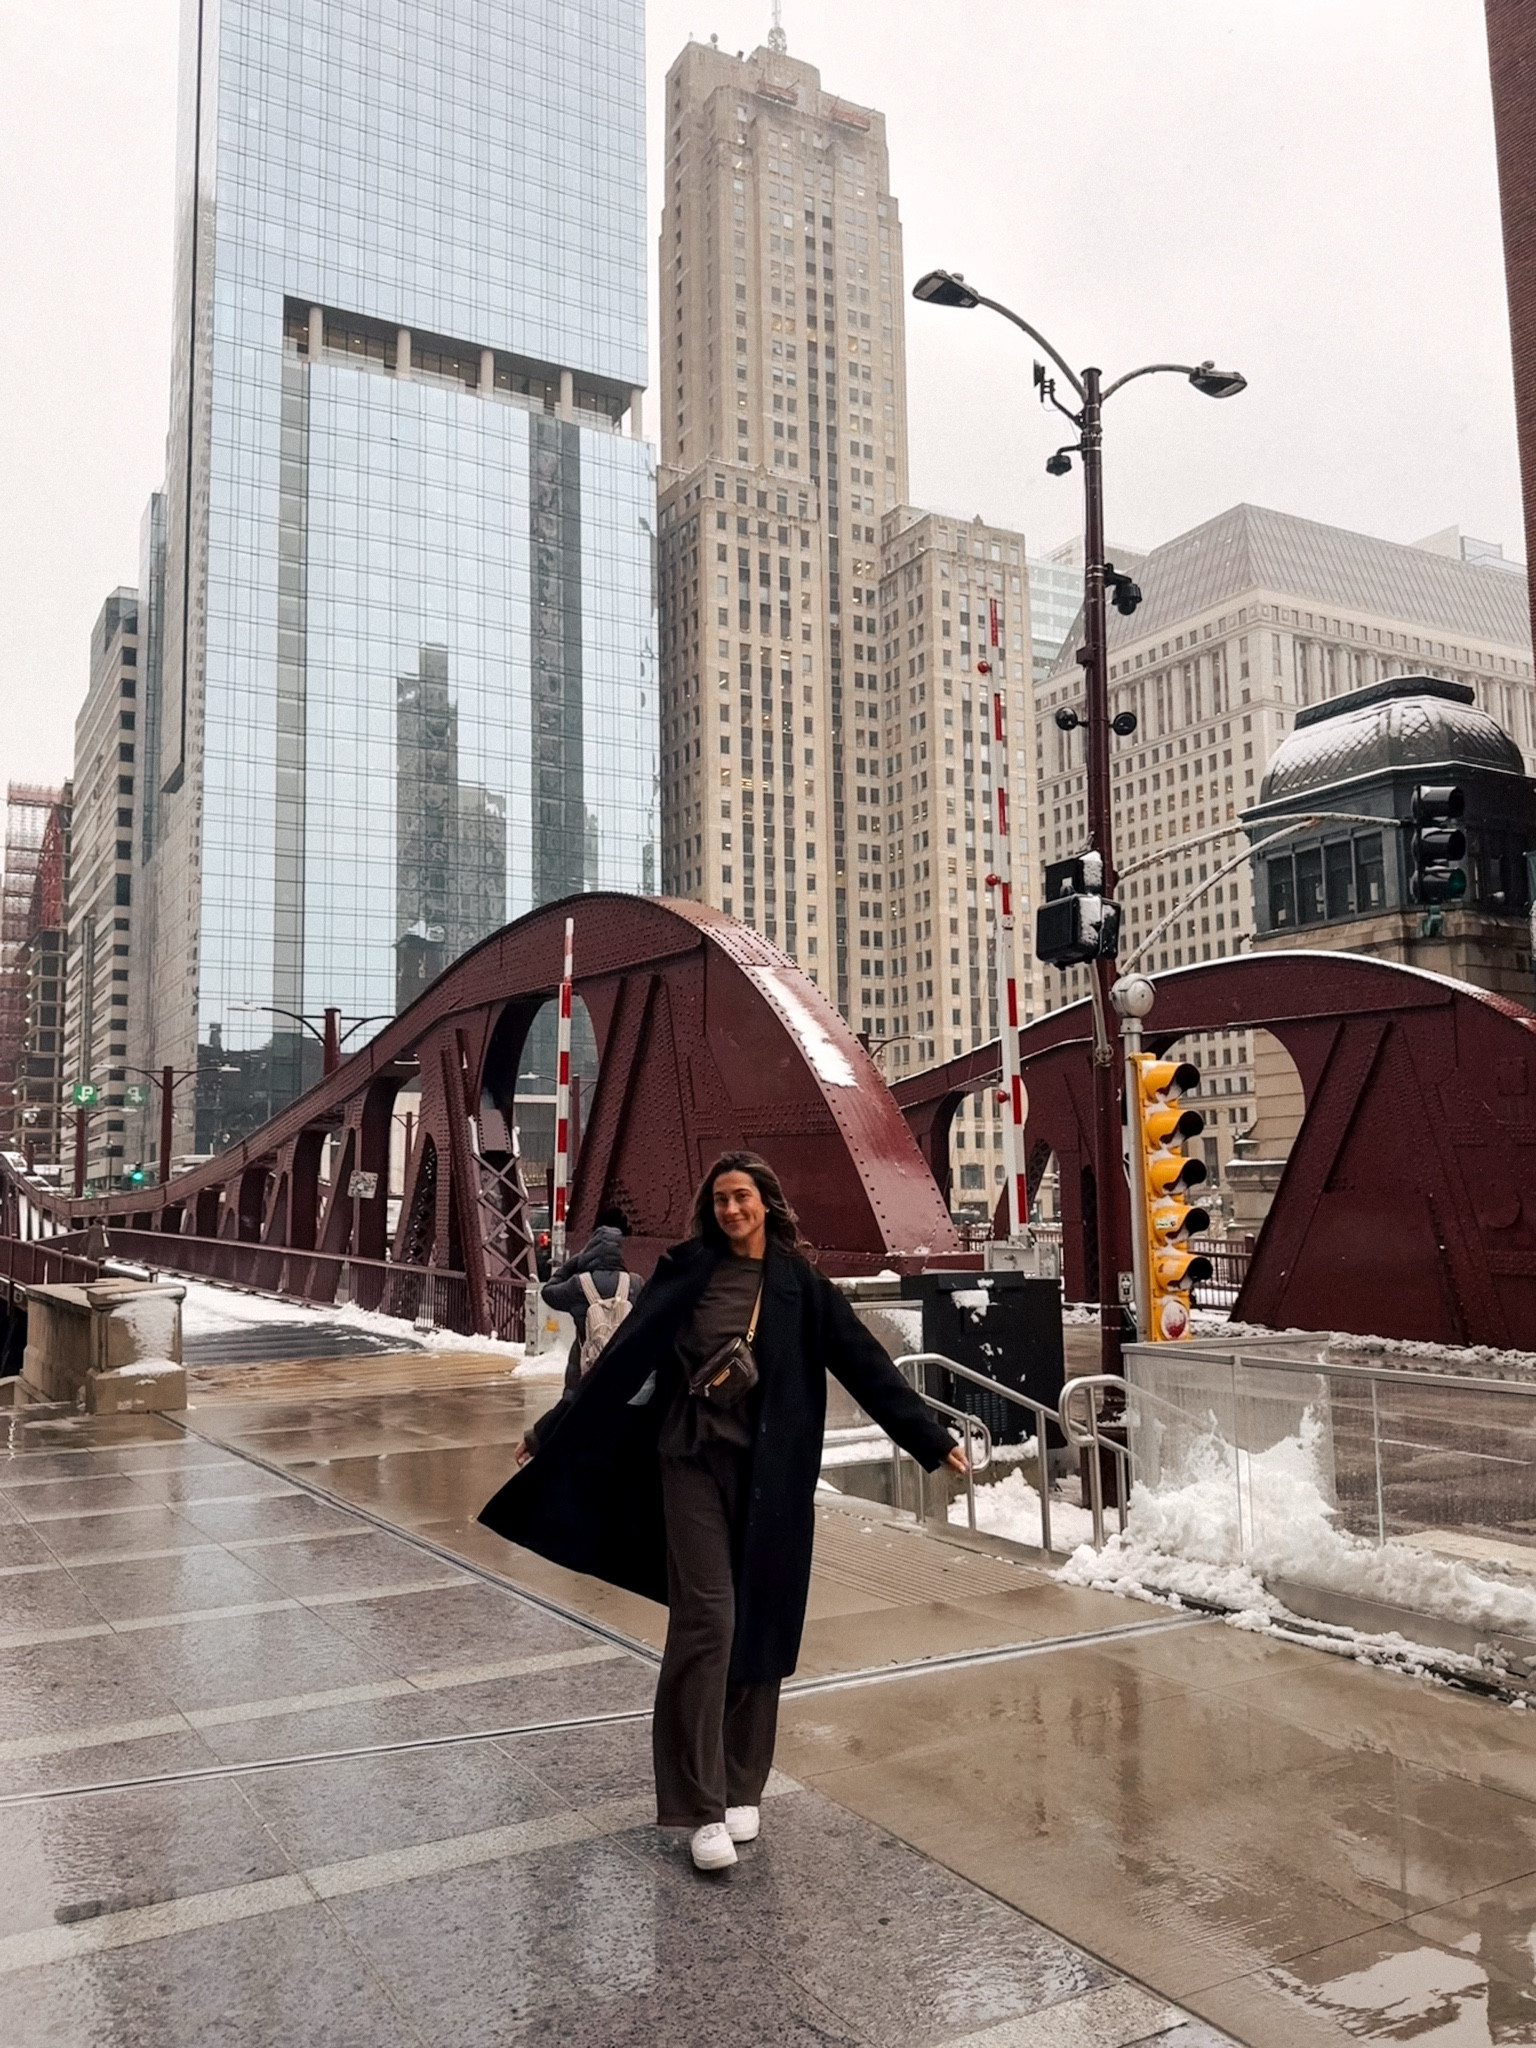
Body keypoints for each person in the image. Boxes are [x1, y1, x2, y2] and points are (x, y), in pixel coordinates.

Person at [479, 1150, 966, 1874]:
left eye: (742, 1198)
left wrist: (929, 1438)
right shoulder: (688, 1271)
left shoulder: (801, 1285)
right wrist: (551, 1430)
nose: (731, 1210)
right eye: (721, 1200)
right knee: (708, 1623)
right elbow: (622, 1361)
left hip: (771, 1477)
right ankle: (698, 1805)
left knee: (760, 1624)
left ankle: (744, 1785)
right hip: (690, 1462)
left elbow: (864, 1362)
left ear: (766, 1202)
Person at [539, 1208, 644, 1393]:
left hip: (583, 1374)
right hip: (621, 1374)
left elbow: (548, 1293)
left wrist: (573, 1263)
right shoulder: (634, 1283)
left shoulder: (579, 1285)